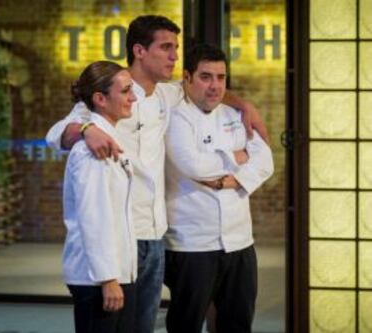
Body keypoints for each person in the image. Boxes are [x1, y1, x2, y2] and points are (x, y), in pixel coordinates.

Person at [47, 15, 268, 333]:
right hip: (124, 235)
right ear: (139, 50)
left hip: (156, 237)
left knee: (143, 327)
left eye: (176, 48)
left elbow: (206, 87)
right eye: (166, 47)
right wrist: (84, 129)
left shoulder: (167, 94)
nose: (174, 56)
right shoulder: (113, 93)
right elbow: (56, 133)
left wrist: (244, 104)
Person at [164, 43, 274, 333]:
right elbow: (192, 165)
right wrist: (237, 158)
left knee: (237, 323)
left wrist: (230, 181)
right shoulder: (176, 117)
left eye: (221, 77)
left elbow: (265, 161)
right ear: (186, 78)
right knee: (185, 324)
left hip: (240, 241)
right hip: (192, 242)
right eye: (205, 77)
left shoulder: (235, 115)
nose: (215, 86)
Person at [62, 61, 137, 333]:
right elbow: (94, 217)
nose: (134, 98)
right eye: (126, 91)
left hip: (115, 272)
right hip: (97, 279)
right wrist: (108, 279)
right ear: (100, 99)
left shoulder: (108, 137)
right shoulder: (90, 150)